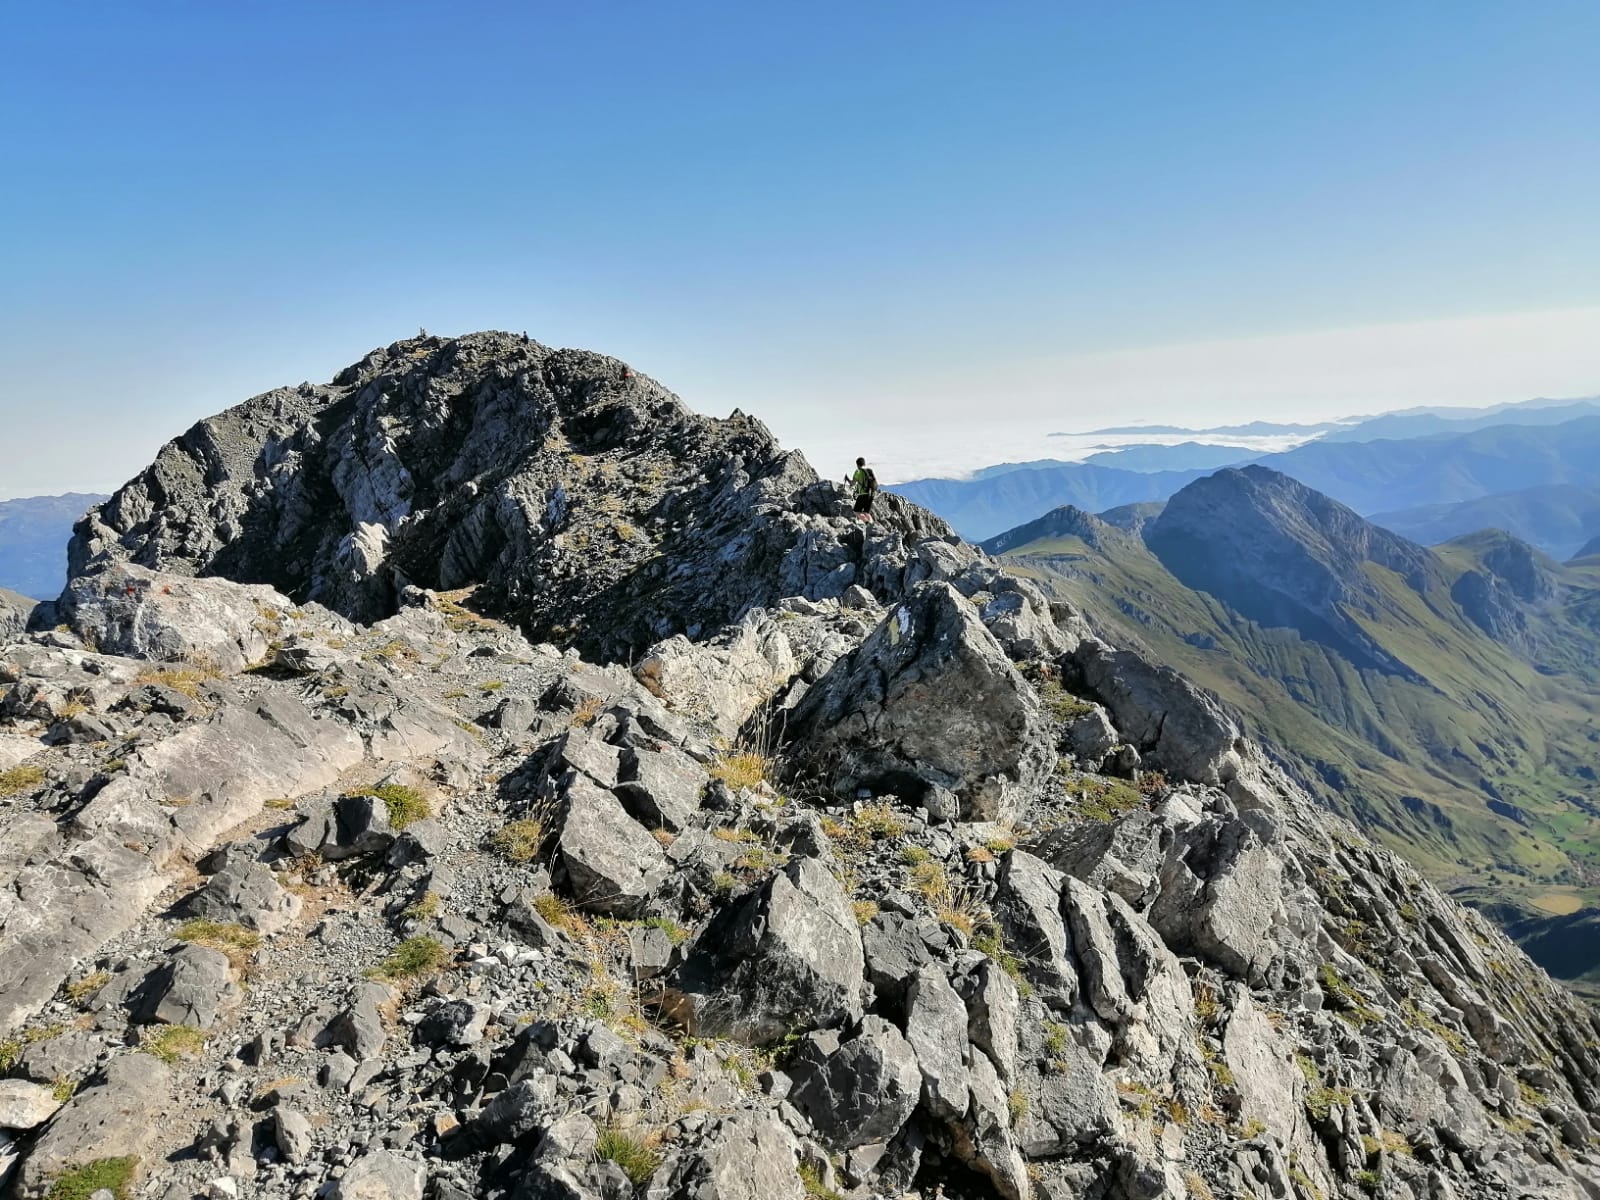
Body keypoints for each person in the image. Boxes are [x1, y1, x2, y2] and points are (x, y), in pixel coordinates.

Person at [850, 457, 879, 522]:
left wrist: (848, 481)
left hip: (863, 494)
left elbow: (853, 483)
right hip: (871, 494)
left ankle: (867, 523)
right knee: (866, 513)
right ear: (864, 464)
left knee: (856, 511)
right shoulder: (869, 471)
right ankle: (873, 525)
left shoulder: (858, 472)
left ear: (857, 464)